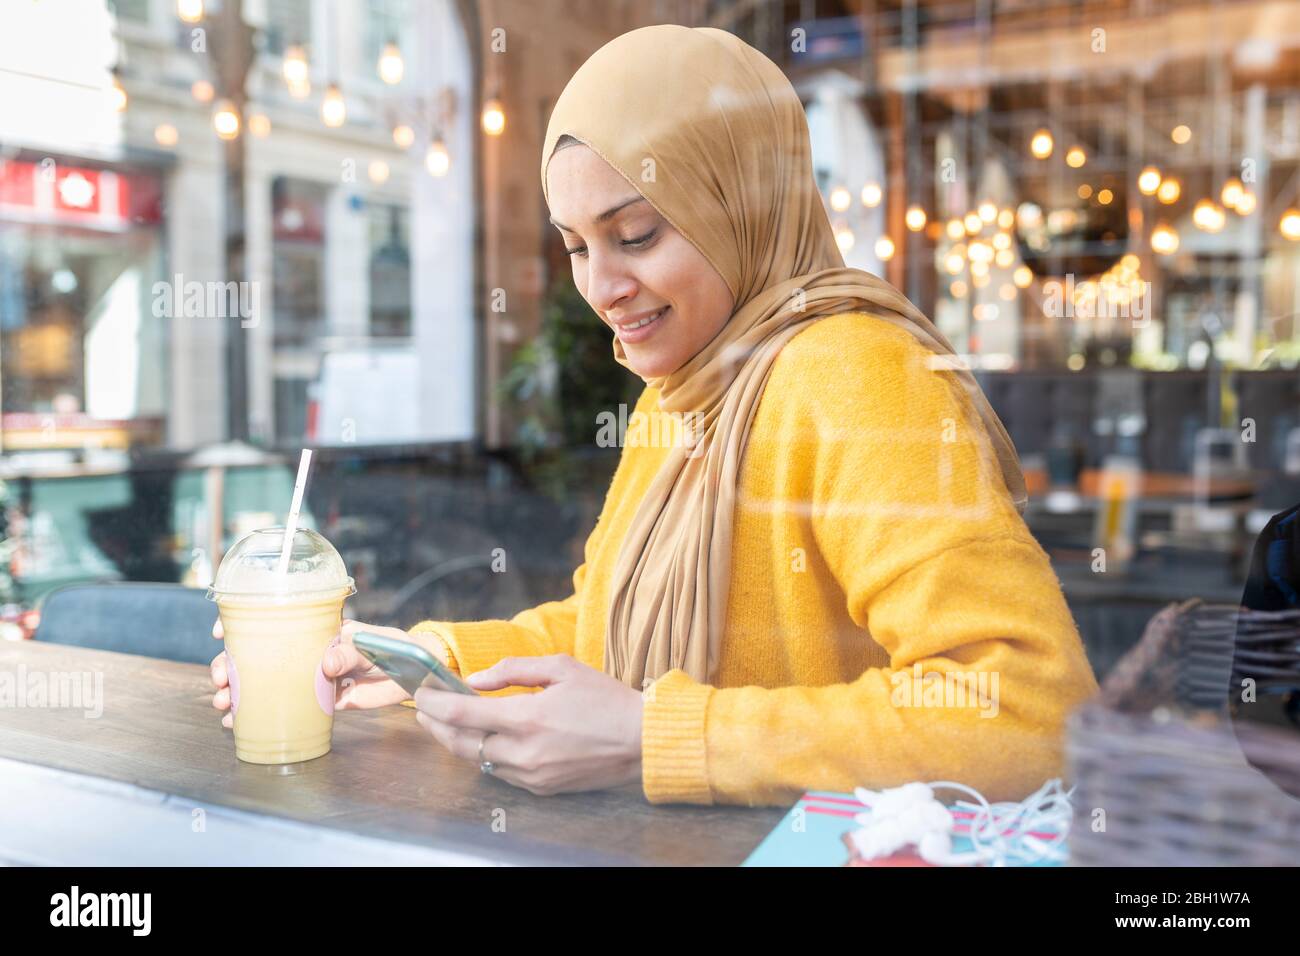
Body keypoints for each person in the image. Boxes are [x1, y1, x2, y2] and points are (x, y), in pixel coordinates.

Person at [210, 24, 1098, 807]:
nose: (601, 287)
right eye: (576, 247)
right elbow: (603, 630)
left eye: (635, 235)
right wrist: (422, 659)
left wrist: (661, 740)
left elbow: (1025, 710)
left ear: (740, 203)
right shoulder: (681, 394)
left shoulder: (860, 375)